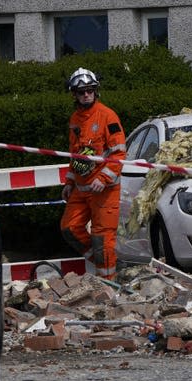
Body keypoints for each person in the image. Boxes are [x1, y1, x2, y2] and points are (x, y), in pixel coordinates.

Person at [60, 68, 126, 280]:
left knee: (102, 239)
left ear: (96, 91)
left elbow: (119, 152)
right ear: (74, 94)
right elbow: (75, 154)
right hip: (81, 188)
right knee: (69, 228)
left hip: (104, 190)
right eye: (81, 92)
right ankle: (103, 261)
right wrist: (69, 182)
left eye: (90, 90)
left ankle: (108, 285)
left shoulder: (107, 116)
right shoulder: (75, 119)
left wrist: (104, 177)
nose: (86, 95)